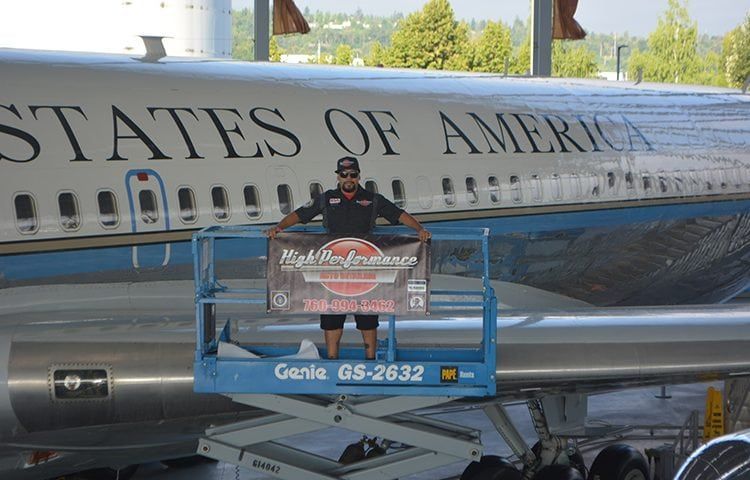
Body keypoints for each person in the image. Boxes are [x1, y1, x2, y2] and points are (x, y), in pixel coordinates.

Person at [266, 156, 430, 360]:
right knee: (331, 316)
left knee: (368, 316)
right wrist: (279, 227)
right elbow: (300, 214)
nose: (348, 178)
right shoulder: (326, 199)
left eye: (353, 174)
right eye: (344, 175)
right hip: (333, 270)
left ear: (359, 176)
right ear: (338, 176)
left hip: (365, 269)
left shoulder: (372, 199)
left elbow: (399, 214)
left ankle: (370, 360)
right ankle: (332, 361)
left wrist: (419, 229)